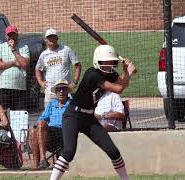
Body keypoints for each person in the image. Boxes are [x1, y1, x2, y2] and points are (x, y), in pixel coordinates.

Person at [49, 45, 137, 180]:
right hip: (73, 115)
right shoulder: (92, 75)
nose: (108, 65)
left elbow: (122, 82)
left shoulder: (110, 74)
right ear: (98, 61)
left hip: (89, 117)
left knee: (113, 151)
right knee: (69, 152)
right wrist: (129, 73)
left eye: (111, 62)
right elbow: (119, 89)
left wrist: (126, 70)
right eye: (105, 62)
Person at [29, 80, 70, 169]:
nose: (61, 91)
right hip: (50, 134)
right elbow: (42, 118)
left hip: (64, 132)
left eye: (64, 89)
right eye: (59, 89)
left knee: (40, 125)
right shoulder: (52, 104)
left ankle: (42, 159)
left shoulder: (71, 104)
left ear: (68, 91)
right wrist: (39, 126)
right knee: (33, 130)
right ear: (56, 92)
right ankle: (37, 166)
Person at [35, 28, 81, 107]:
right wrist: (41, 81)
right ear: (46, 40)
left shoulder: (66, 50)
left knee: (67, 113)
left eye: (53, 37)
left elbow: (77, 65)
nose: (51, 39)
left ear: (57, 38)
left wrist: (75, 82)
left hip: (65, 90)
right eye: (49, 37)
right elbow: (38, 69)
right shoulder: (44, 54)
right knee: (49, 114)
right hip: (50, 92)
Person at [0, 25, 30, 110]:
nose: (11, 37)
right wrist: (13, 62)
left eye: (13, 34)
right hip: (4, 87)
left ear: (17, 35)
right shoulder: (0, 47)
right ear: (5, 36)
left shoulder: (24, 47)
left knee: (18, 115)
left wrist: (13, 49)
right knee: (4, 114)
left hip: (20, 88)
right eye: (9, 35)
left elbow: (24, 64)